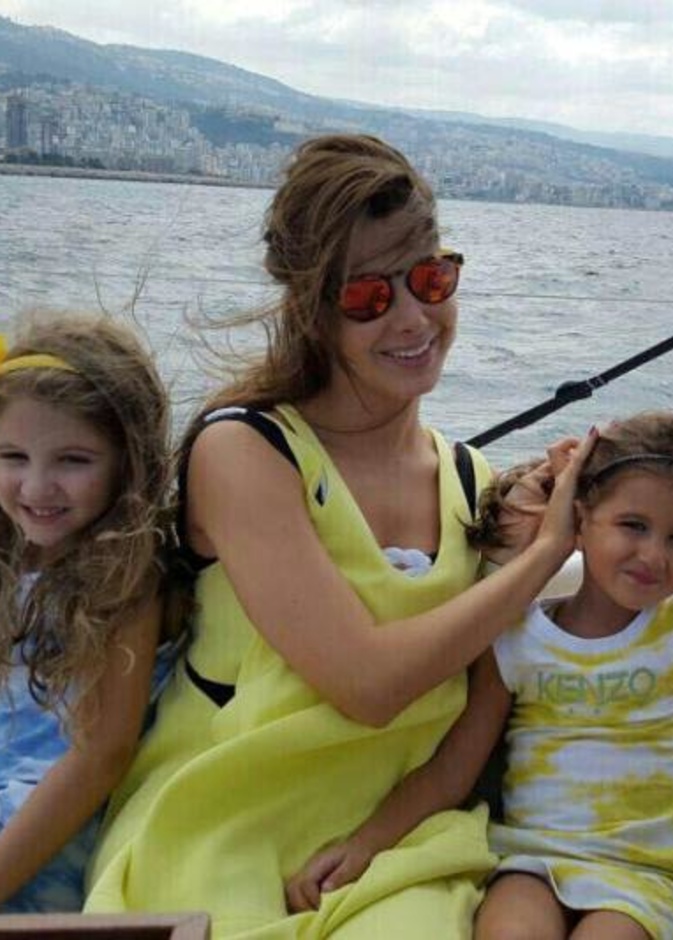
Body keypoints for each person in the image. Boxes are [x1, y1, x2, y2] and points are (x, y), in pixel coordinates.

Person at [85, 133, 592, 938]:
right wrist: (543, 558)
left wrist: (528, 536)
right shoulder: (246, 449)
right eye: (366, 297)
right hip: (219, 830)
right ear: (310, 309)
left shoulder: (470, 481)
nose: (412, 317)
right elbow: (365, 684)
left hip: (395, 845)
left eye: (430, 278)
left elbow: (474, 696)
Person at [286, 410, 673, 940]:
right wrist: (362, 845)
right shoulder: (515, 634)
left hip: (643, 873)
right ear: (578, 518)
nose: (654, 555)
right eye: (633, 525)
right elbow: (452, 771)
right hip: (532, 860)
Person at [0, 311, 178, 912]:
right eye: (12, 455)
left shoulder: (130, 579)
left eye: (73, 460)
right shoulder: (10, 559)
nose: (35, 487)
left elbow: (101, 756)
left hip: (43, 832)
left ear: (128, 461)